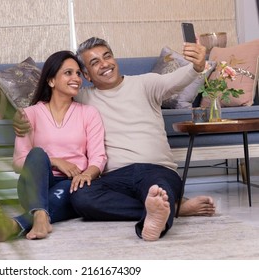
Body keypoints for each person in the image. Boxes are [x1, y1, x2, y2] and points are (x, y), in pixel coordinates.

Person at [13, 37, 215, 241]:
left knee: (158, 188)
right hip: (115, 177)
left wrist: (197, 66)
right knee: (81, 197)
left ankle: (154, 223)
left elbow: (179, 78)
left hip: (156, 169)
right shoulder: (82, 97)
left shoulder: (147, 83)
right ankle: (174, 207)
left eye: (107, 56)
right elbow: (51, 98)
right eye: (94, 63)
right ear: (87, 76)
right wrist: (18, 117)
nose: (104, 64)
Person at [0, 50, 107, 241]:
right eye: (68, 73)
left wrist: (85, 175)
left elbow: (98, 157)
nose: (76, 78)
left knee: (70, 189)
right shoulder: (29, 114)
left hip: (72, 186)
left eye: (77, 73)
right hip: (34, 186)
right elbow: (19, 162)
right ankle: (40, 214)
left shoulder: (89, 114)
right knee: (37, 154)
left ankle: (20, 223)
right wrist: (55, 161)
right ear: (51, 81)